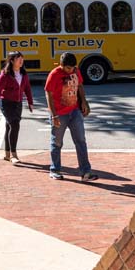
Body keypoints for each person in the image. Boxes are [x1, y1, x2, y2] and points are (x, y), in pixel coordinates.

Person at [45, 52, 98, 182]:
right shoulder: (54, 74)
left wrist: (84, 102)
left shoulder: (76, 71)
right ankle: (55, 170)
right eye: (68, 68)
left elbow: (80, 85)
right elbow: (48, 95)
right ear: (61, 65)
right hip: (59, 113)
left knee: (80, 141)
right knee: (57, 142)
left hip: (74, 111)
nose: (71, 70)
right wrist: (54, 115)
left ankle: (85, 172)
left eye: (73, 67)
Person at [0, 52, 34, 164]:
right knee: (14, 125)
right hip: (6, 103)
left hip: (18, 103)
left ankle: (7, 154)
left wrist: (30, 102)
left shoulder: (23, 73)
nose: (21, 61)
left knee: (9, 127)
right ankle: (13, 155)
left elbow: (27, 88)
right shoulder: (5, 74)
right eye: (18, 59)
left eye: (22, 59)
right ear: (12, 61)